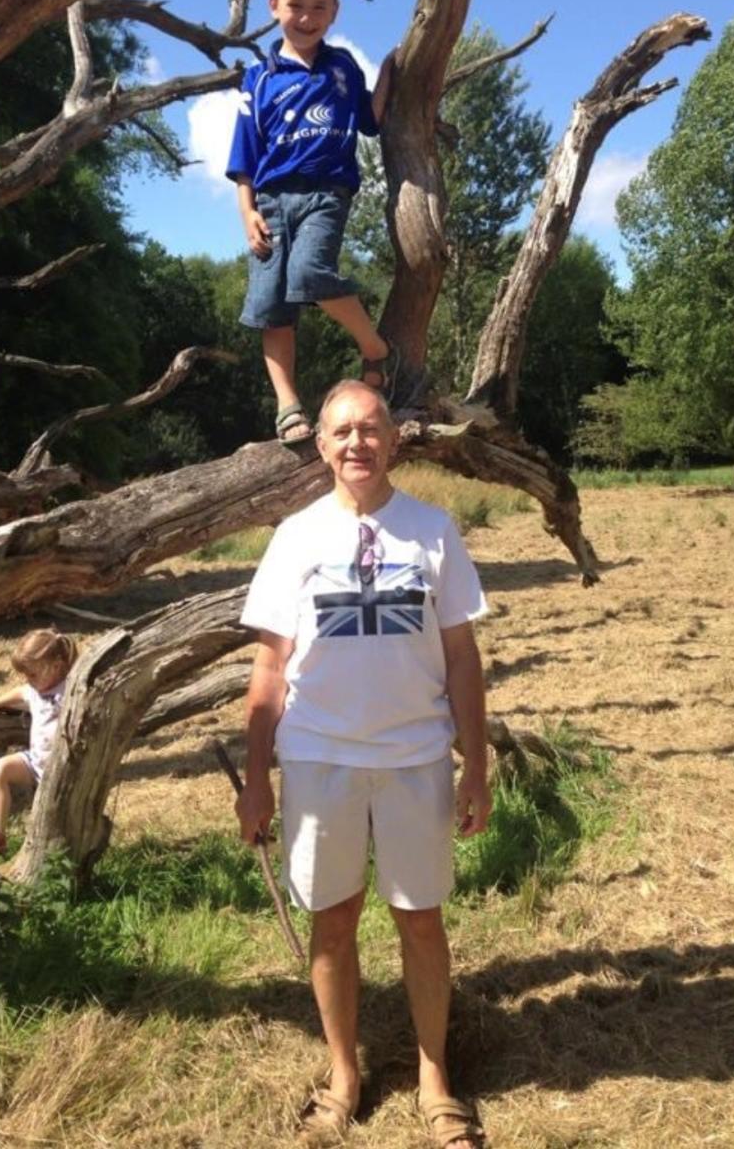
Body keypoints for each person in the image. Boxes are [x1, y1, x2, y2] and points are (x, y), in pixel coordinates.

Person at [236, 380, 491, 1148]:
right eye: (342, 431)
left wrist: (475, 763)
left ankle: (434, 1076)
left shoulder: (434, 531)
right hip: (319, 761)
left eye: (371, 429)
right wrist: (258, 780)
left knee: (420, 919)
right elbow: (269, 670)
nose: (357, 443)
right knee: (334, 920)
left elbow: (461, 656)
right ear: (321, 445)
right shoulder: (295, 537)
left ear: (395, 440)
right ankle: (345, 1073)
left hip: (415, 757)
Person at [225, 0, 398, 445]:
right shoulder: (257, 80)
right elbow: (244, 156)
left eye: (319, 7)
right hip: (271, 203)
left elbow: (371, 120)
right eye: (296, 5)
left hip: (326, 194)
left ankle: (375, 348)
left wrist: (389, 72)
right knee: (269, 306)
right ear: (274, 4)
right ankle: (289, 407)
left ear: (335, 10)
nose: (307, 16)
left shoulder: (342, 67)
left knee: (309, 273)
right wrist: (247, 212)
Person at [0, 629, 78, 854]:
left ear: (56, 666)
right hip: (36, 762)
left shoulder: (71, 688)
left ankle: (58, 852)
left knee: (50, 816)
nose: (28, 680)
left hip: (63, 769)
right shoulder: (33, 689)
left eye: (33, 675)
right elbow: (20, 692)